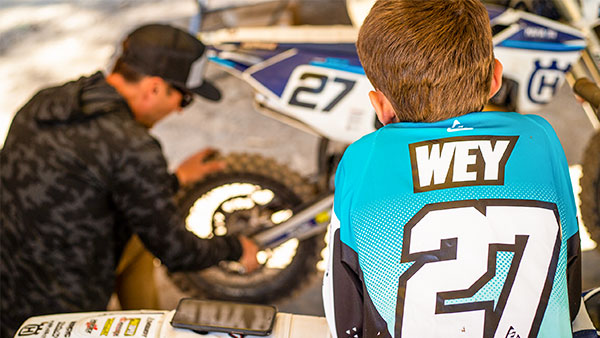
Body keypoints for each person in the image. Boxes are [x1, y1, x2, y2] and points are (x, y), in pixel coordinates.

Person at [322, 0, 594, 337]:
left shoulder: (361, 160)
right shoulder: (540, 139)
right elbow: (566, 279)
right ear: (496, 77)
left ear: (380, 105)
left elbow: (344, 318)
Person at [0, 23, 258, 337]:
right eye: (184, 98)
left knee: (138, 238)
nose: (179, 111)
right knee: (148, 240)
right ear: (153, 88)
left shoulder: (46, 102)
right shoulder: (132, 147)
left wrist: (174, 179)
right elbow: (176, 250)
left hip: (8, 289)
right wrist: (236, 248)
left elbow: (87, 181)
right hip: (53, 321)